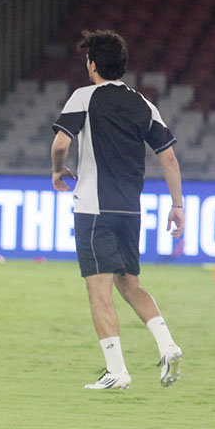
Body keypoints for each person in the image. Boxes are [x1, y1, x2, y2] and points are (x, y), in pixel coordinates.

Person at [51, 30, 185, 391]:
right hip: (130, 211)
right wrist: (177, 205)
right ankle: (167, 345)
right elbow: (169, 157)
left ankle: (116, 371)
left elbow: (62, 141)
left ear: (92, 64)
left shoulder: (84, 97)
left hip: (94, 209)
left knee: (99, 291)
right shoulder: (144, 104)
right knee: (130, 285)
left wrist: (57, 168)